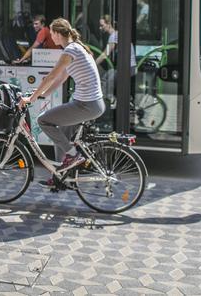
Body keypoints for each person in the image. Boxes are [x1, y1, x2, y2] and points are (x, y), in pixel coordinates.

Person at [18, 18, 105, 186]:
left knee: (43, 120)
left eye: (52, 34)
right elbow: (60, 79)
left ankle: (73, 155)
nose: (51, 37)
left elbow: (51, 76)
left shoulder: (70, 51)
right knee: (60, 135)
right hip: (91, 104)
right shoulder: (77, 48)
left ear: (58, 34)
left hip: (86, 105)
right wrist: (43, 94)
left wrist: (31, 98)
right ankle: (61, 178)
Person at [94, 15, 137, 105]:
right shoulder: (117, 34)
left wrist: (93, 63)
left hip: (128, 68)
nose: (100, 27)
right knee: (108, 75)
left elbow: (106, 53)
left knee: (106, 79)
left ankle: (109, 101)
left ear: (109, 24)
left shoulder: (114, 36)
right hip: (130, 67)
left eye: (102, 25)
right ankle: (124, 101)